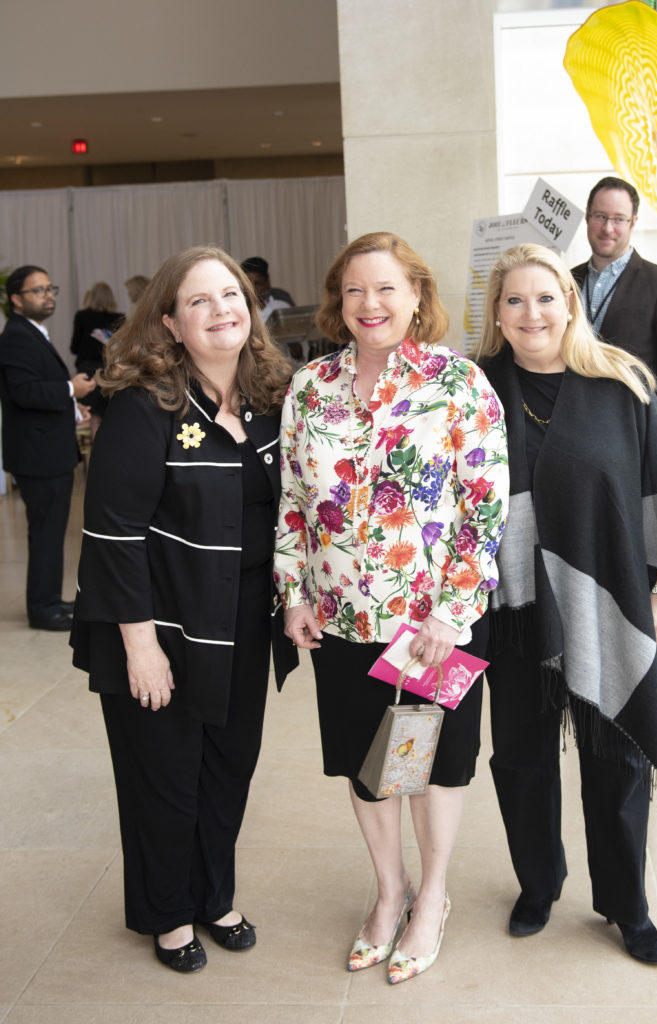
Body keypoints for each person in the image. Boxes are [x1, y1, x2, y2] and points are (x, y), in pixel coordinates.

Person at [274, 231, 509, 984]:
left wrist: (452, 609)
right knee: (367, 764)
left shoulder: (459, 384)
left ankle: (432, 896)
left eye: (384, 289)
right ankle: (389, 892)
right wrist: (294, 593)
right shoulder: (309, 386)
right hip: (342, 619)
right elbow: (291, 503)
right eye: (353, 291)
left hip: (432, 628)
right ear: (337, 303)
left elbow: (485, 506)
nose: (368, 304)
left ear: (416, 296)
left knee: (432, 764)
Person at [474, 243, 657, 966]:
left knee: (617, 759)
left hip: (609, 600)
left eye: (544, 297)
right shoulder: (475, 389)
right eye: (513, 300)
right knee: (518, 755)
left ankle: (625, 904)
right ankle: (538, 885)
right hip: (512, 606)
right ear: (496, 313)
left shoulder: (621, 385)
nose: (530, 313)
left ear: (569, 303)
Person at [71, 246, 297, 972]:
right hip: (158, 627)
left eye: (229, 294)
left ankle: (212, 895)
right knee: (164, 779)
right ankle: (168, 914)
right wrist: (140, 645)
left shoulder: (271, 400)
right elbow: (112, 532)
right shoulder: (147, 405)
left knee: (229, 768)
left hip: (240, 627)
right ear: (169, 322)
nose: (221, 309)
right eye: (198, 301)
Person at [0, 265, 95, 630]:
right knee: (45, 534)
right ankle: (44, 610)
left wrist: (73, 406)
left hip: (46, 449)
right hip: (38, 455)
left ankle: (51, 600)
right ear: (16, 300)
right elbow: (24, 393)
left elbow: (37, 389)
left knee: (51, 533)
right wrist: (72, 389)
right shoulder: (16, 337)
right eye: (38, 290)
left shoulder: (30, 332)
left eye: (49, 288)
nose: (48, 295)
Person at [571, 176, 657, 443]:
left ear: (633, 222)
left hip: (636, 439)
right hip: (573, 435)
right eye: (600, 216)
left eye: (619, 219)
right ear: (587, 217)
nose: (608, 228)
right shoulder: (565, 281)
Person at [70, 281, 124, 436]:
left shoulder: (82, 316)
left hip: (87, 370)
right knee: (109, 412)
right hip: (111, 370)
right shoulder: (119, 318)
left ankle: (94, 455)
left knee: (90, 414)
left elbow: (74, 347)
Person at [241, 256, 295, 322]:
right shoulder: (240, 311)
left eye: (257, 284)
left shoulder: (282, 304)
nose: (252, 289)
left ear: (267, 282)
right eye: (248, 284)